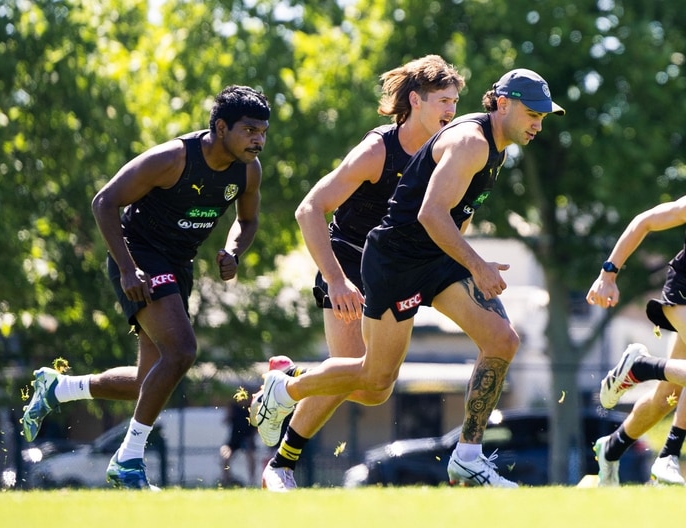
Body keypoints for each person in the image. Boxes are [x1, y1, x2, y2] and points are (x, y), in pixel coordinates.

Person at [254, 68, 565, 488]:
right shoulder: (465, 142)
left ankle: (468, 458)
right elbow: (429, 213)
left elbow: (456, 215)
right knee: (373, 382)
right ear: (503, 105)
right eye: (533, 114)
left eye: (542, 117)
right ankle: (285, 395)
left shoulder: (496, 150)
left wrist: (468, 263)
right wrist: (475, 265)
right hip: (390, 261)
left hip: (432, 257)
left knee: (502, 339)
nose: (538, 125)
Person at [21, 85, 271, 489]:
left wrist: (233, 250)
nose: (258, 140)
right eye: (249, 131)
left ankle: (60, 388)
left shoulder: (248, 171)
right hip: (139, 256)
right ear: (221, 128)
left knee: (147, 381)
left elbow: (248, 220)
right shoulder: (173, 158)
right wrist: (126, 269)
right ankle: (128, 460)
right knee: (182, 351)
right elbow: (104, 202)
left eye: (262, 132)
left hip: (178, 265)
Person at [259, 55, 465, 492]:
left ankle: (291, 379)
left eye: (455, 102)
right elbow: (310, 209)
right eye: (443, 101)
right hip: (348, 265)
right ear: (415, 100)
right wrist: (336, 280)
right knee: (352, 371)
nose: (452, 111)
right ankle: (281, 465)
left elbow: (450, 220)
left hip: (395, 271)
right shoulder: (378, 151)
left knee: (375, 388)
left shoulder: (450, 153)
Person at [587, 197, 686, 485]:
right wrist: (608, 274)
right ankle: (641, 367)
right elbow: (645, 221)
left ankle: (611, 447)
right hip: (682, 296)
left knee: (665, 398)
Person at [220, 398, 258, 487]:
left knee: (251, 457)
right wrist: (229, 414)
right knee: (225, 456)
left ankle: (252, 481)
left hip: (247, 438)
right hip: (235, 438)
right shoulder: (233, 407)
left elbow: (256, 426)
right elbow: (225, 421)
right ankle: (226, 480)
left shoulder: (251, 408)